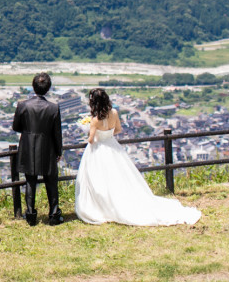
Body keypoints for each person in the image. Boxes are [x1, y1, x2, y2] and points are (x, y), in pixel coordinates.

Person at [74, 88, 201, 226]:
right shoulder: (114, 113)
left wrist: (87, 131)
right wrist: (107, 134)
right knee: (119, 176)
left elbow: (91, 139)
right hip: (113, 146)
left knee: (99, 178)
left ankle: (102, 206)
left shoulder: (94, 120)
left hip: (99, 149)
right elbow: (118, 130)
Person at [12, 72, 64, 226]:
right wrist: (59, 151)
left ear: (33, 86)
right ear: (48, 88)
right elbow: (57, 132)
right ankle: (54, 215)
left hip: (28, 146)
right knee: (51, 181)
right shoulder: (53, 108)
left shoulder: (23, 105)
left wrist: (28, 132)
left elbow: (16, 127)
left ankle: (30, 215)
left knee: (30, 180)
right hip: (48, 147)